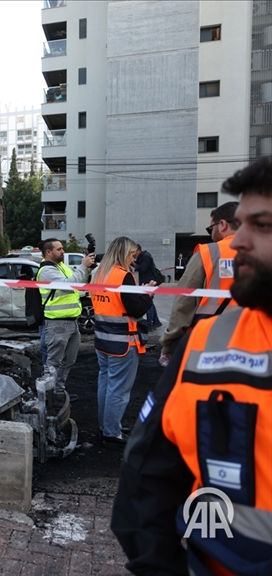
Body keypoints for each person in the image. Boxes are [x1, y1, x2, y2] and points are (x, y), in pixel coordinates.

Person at [111, 157, 272, 576]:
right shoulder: (205, 346)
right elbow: (146, 479)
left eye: (264, 225)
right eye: (241, 224)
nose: (239, 242)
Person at [159, 201, 240, 367]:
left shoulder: (209, 253)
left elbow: (183, 302)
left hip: (213, 340)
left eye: (211, 229)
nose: (211, 234)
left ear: (223, 224)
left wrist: (168, 342)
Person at [90, 237, 153, 446]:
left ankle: (106, 424)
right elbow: (136, 309)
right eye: (133, 255)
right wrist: (148, 294)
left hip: (102, 339)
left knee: (105, 384)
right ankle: (111, 431)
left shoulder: (98, 274)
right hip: (123, 342)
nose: (134, 259)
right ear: (125, 253)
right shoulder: (123, 277)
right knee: (119, 389)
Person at [36, 238, 96, 402]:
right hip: (57, 323)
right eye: (59, 249)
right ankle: (47, 398)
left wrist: (88, 269)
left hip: (71, 322)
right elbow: (69, 284)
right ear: (49, 252)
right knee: (53, 363)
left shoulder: (60, 267)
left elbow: (78, 282)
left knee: (68, 360)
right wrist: (83, 265)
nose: (63, 252)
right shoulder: (47, 270)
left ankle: (58, 391)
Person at [132, 245, 162, 328]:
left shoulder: (146, 257)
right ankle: (156, 321)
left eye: (133, 252)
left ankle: (149, 323)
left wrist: (133, 263)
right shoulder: (141, 257)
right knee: (150, 302)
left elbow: (142, 269)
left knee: (148, 302)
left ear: (138, 250)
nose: (133, 255)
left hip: (150, 282)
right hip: (146, 282)